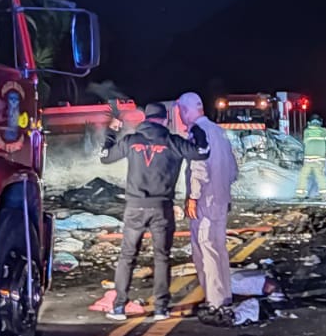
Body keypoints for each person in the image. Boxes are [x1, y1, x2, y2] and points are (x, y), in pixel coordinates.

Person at [100, 101, 207, 321]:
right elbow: (203, 152)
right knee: (161, 257)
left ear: (145, 119)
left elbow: (104, 156)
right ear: (165, 120)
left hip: (134, 208)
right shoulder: (173, 142)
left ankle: (119, 307)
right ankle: (161, 308)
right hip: (162, 208)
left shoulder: (130, 141)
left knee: (127, 256)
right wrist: (197, 129)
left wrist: (111, 132)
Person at [174, 92, 238, 316]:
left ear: (184, 110)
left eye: (181, 112)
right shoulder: (219, 131)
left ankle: (214, 301)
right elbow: (232, 169)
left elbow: (198, 167)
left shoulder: (197, 132)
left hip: (204, 201)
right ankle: (224, 296)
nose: (180, 117)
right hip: (221, 200)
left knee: (205, 249)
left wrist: (193, 197)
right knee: (219, 249)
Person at [295, 113, 326, 201]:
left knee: (304, 175)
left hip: (308, 157)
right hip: (319, 158)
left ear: (309, 122)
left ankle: (300, 194)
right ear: (320, 122)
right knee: (320, 175)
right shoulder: (324, 131)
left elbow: (305, 143)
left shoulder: (306, 131)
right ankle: (324, 194)